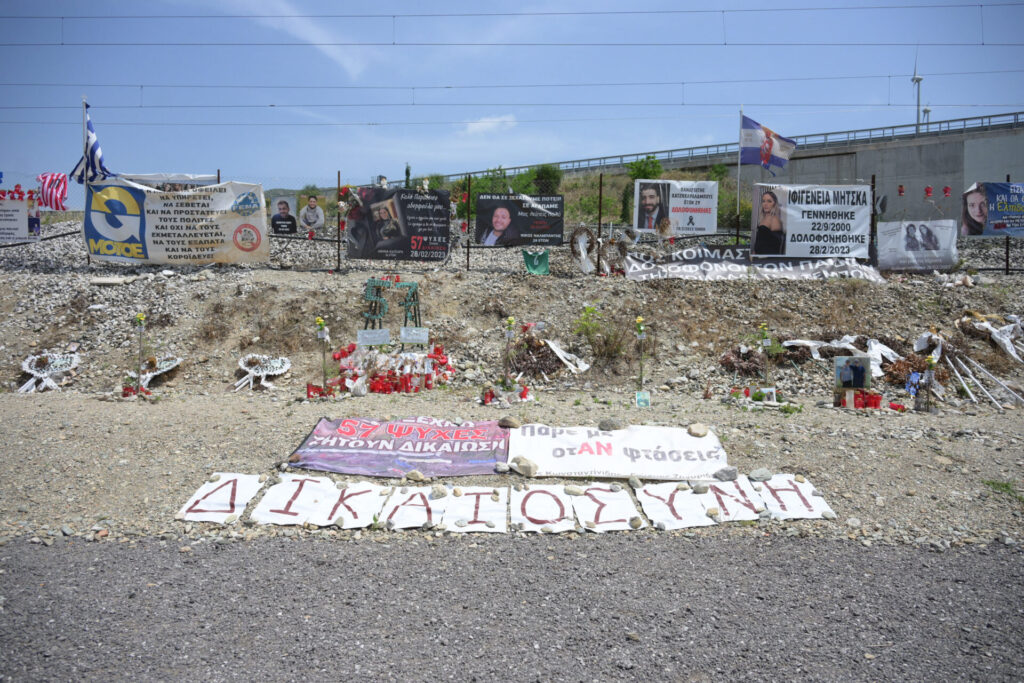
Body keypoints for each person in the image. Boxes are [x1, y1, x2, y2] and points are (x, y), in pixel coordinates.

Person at [752, 189, 785, 255]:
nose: (765, 204)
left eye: (769, 201)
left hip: (768, 258)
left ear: (774, 203)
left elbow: (778, 241)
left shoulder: (774, 219)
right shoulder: (763, 217)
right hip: (759, 256)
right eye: (763, 201)